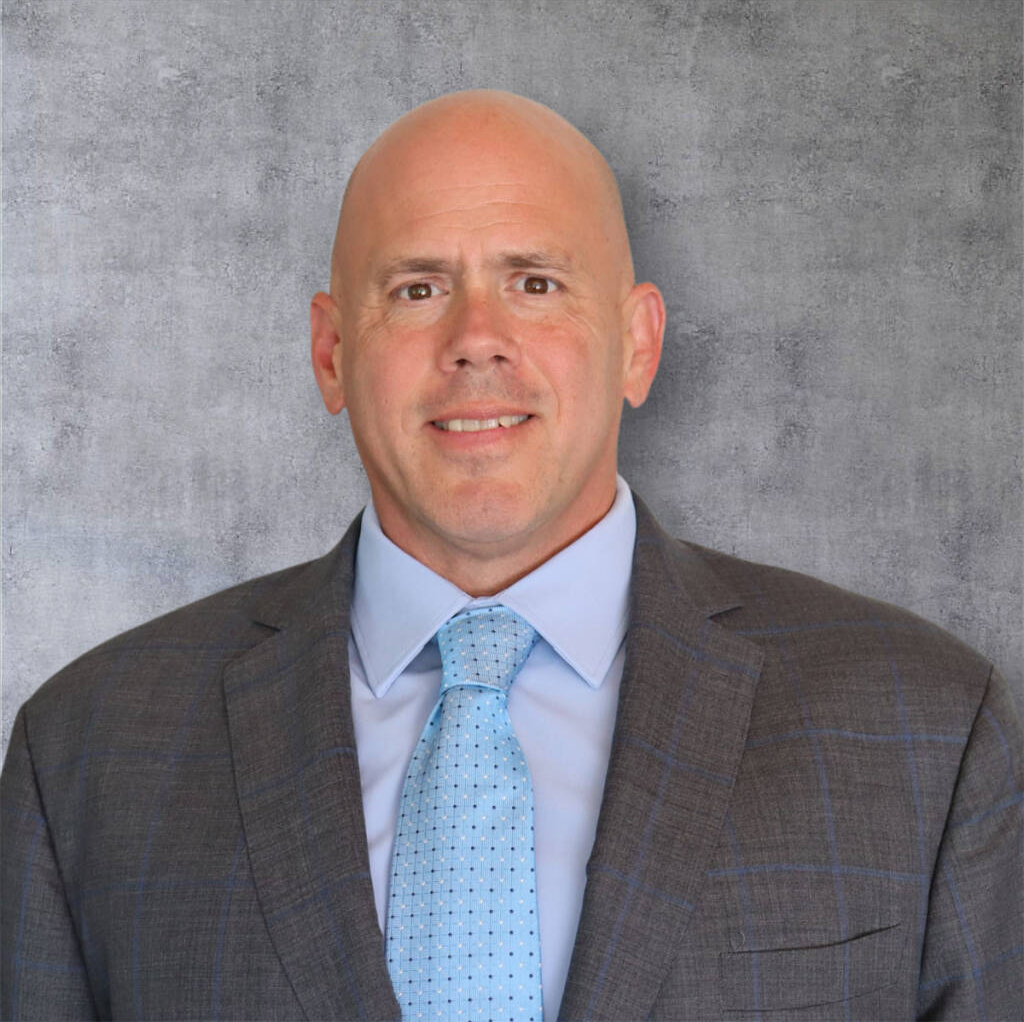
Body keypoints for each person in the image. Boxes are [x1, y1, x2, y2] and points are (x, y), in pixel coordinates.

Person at [1, 89, 1020, 1022]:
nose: (476, 339)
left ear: (637, 344)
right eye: (414, 289)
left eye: (534, 282)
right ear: (330, 354)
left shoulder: (923, 727)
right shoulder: (87, 750)